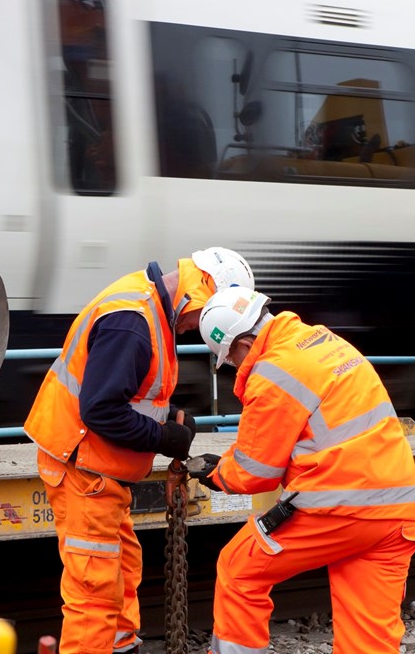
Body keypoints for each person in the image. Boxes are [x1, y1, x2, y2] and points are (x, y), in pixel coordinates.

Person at [24, 247, 254, 654]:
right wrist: (164, 438)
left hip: (102, 470)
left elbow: (129, 394)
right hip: (83, 468)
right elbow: (100, 410)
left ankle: (121, 647)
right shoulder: (132, 323)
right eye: (201, 318)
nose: (192, 329)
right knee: (95, 591)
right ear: (199, 292)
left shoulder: (149, 311)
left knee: (123, 570)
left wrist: (173, 417)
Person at [190, 287, 415, 654]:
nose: (235, 367)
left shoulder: (272, 373)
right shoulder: (321, 340)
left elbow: (256, 472)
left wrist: (215, 473)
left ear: (242, 344)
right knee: (367, 641)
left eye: (230, 359)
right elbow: (296, 431)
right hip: (397, 509)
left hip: (338, 507)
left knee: (239, 571)